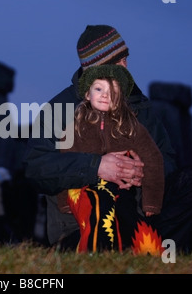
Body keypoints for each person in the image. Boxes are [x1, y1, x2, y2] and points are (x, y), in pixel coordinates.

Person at [23, 25, 192, 253]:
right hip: (83, 222)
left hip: (138, 212)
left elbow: (165, 157)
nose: (126, 66)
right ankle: (113, 247)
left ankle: (155, 252)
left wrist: (139, 169)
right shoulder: (59, 109)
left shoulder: (138, 103)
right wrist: (97, 166)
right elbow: (36, 167)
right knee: (105, 194)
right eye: (118, 61)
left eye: (125, 59)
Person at [57, 64, 165, 254]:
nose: (106, 95)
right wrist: (64, 199)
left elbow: (153, 159)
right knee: (101, 203)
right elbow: (63, 163)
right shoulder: (74, 128)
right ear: (88, 94)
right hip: (82, 191)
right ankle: (95, 251)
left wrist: (151, 201)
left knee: (126, 214)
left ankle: (127, 250)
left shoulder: (132, 128)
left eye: (113, 91)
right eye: (99, 89)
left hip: (122, 191)